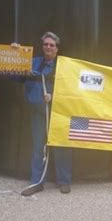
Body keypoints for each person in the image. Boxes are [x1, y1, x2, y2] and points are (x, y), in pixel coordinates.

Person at [16, 32, 72, 196]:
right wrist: (16, 54)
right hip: (38, 114)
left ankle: (64, 181)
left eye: (51, 45)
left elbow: (72, 89)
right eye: (45, 44)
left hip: (58, 113)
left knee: (62, 146)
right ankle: (37, 181)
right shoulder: (32, 63)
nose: (48, 47)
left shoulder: (64, 65)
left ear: (57, 48)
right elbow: (14, 74)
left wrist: (55, 96)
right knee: (38, 148)